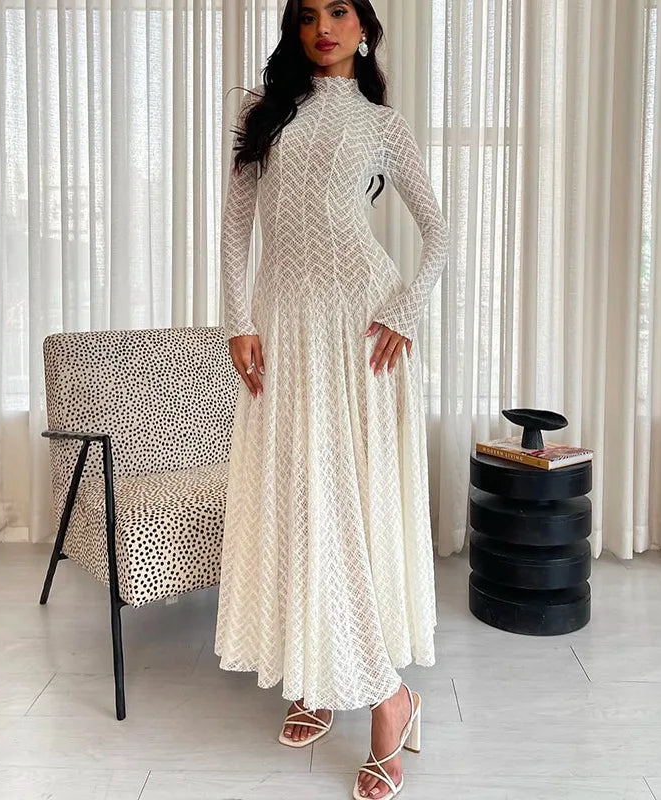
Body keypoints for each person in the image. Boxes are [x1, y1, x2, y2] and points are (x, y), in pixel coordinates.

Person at [214, 1, 449, 797]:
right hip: (282, 332)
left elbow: (439, 230)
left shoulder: (384, 123)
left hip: (361, 336)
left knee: (346, 508)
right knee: (298, 502)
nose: (324, 26)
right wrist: (238, 321)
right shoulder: (260, 110)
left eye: (339, 11)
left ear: (364, 26)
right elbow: (236, 226)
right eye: (309, 14)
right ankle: (317, 672)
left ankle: (388, 698)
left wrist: (405, 307)